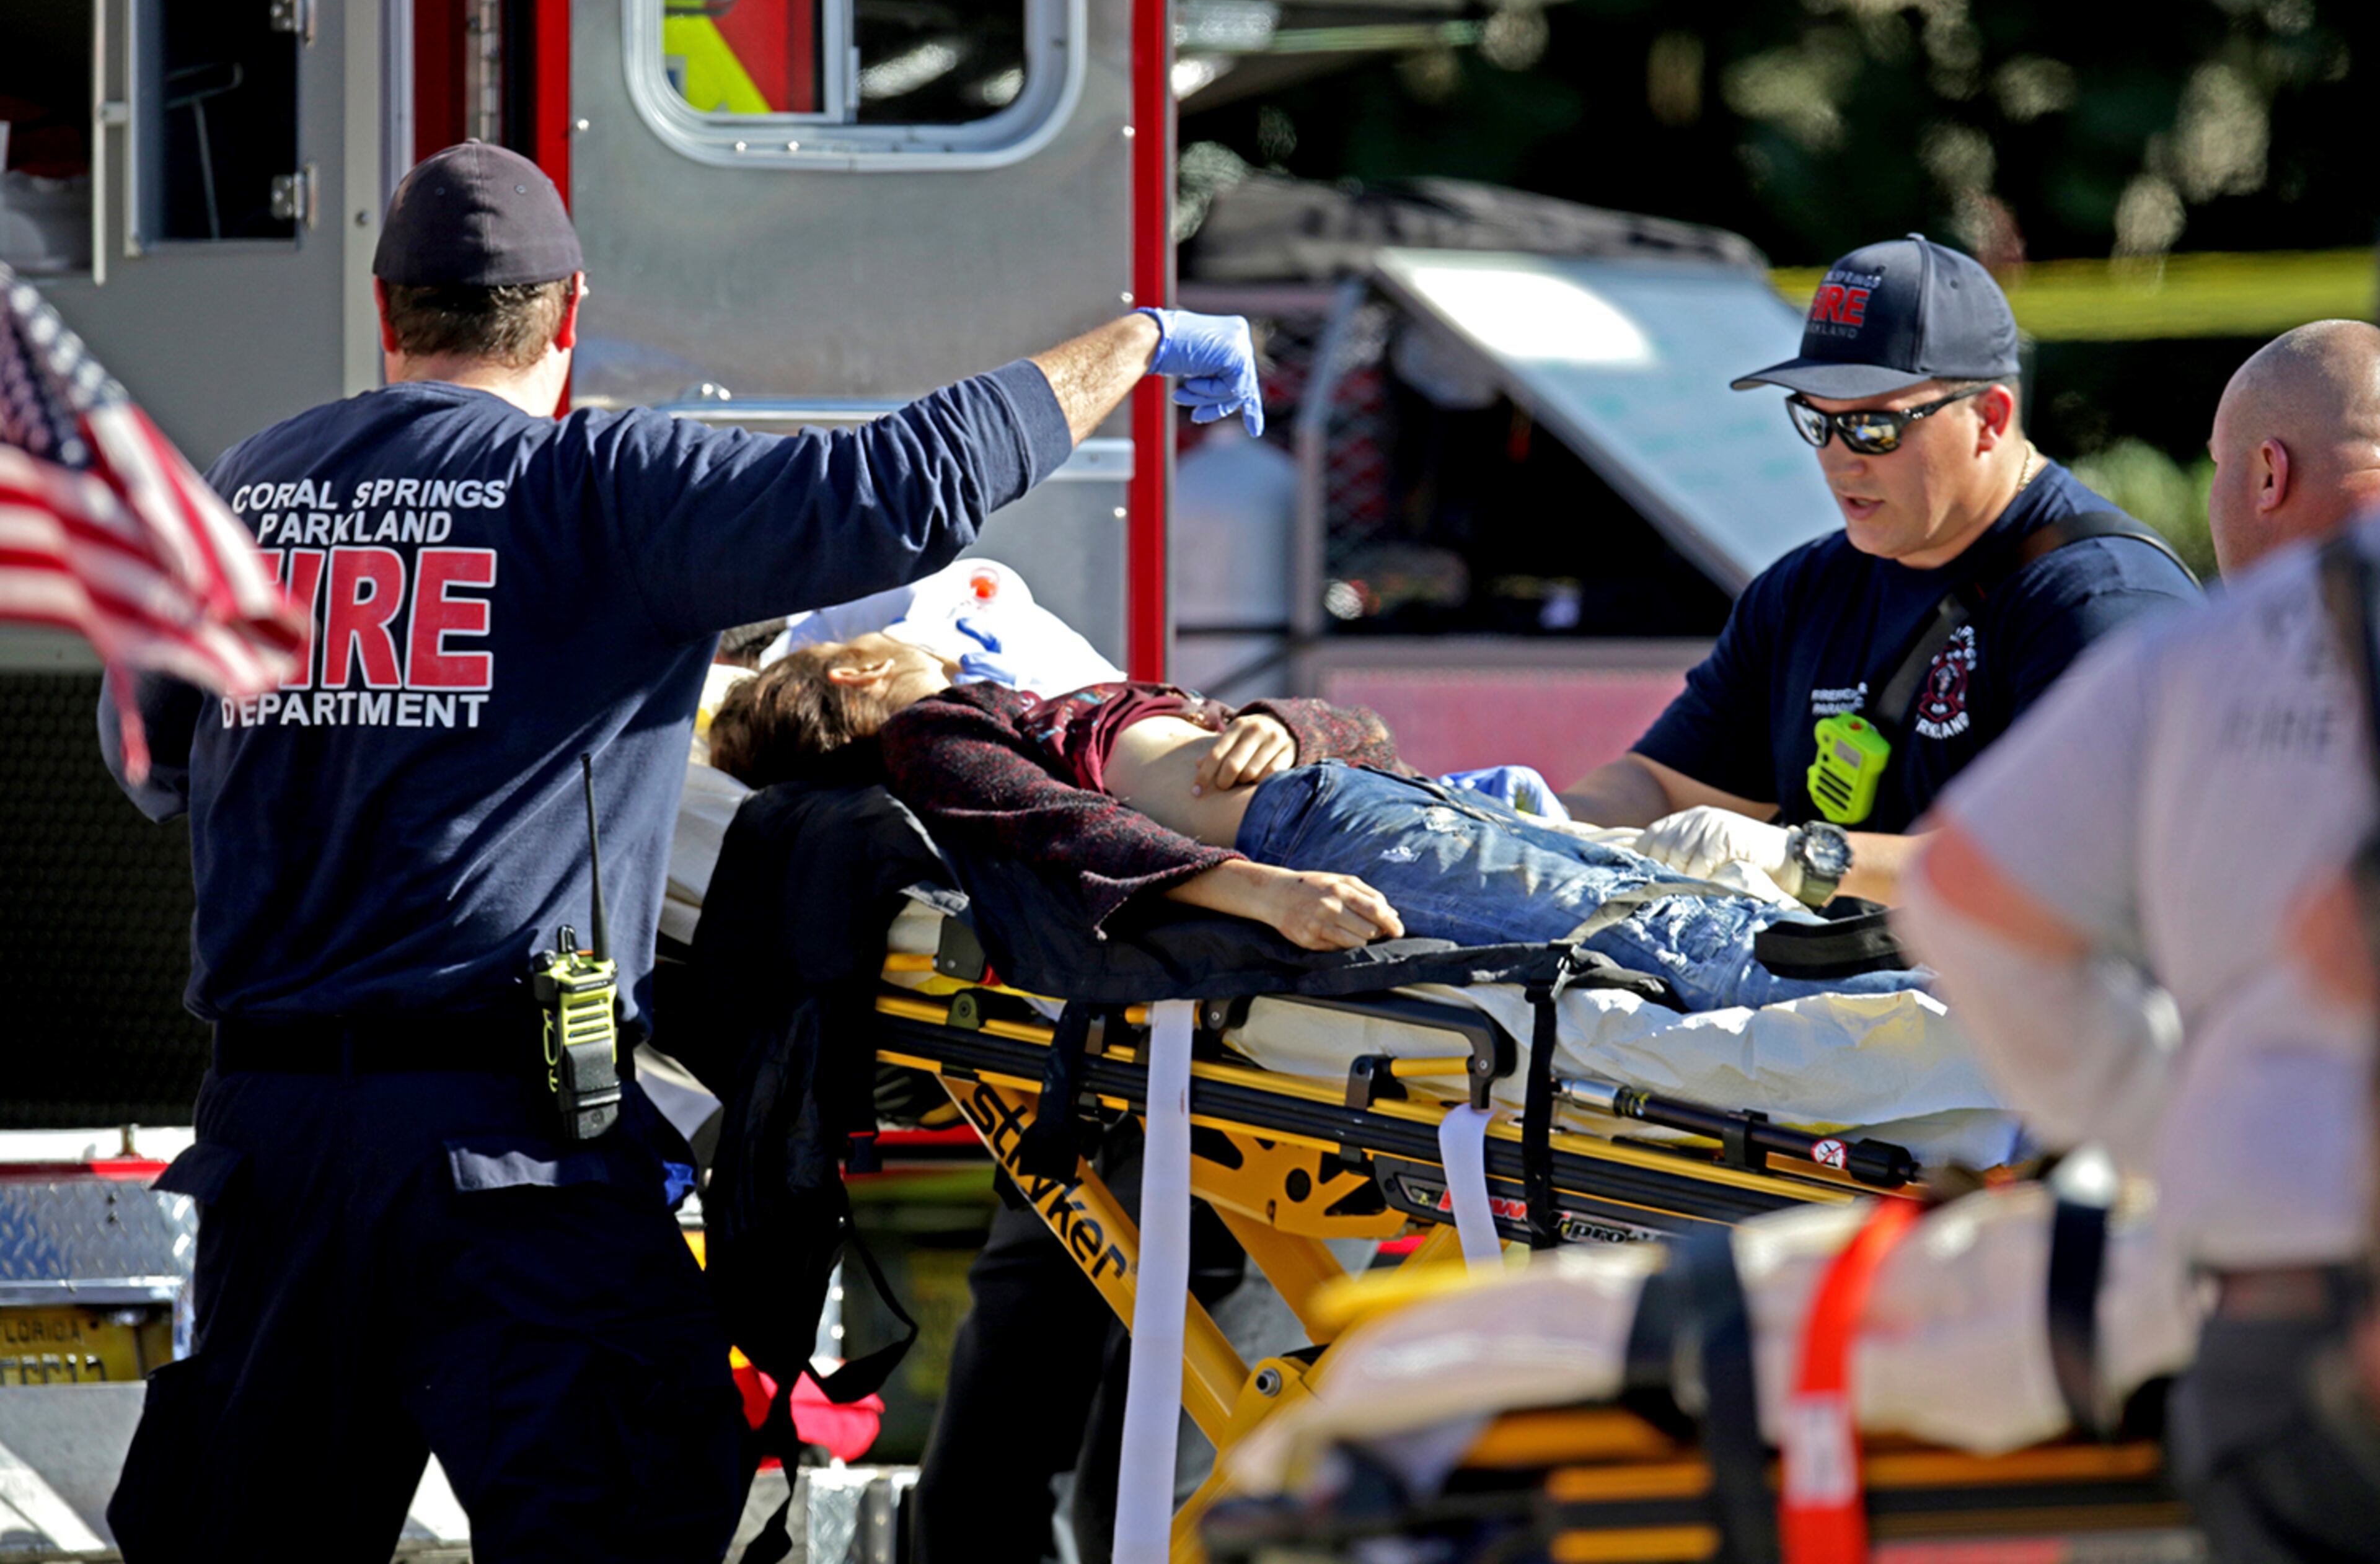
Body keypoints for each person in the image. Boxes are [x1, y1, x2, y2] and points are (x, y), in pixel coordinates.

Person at [94, 139, 1269, 1561]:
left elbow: (140, 752)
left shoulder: (254, 484)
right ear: (569, 308)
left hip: (274, 1151)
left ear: (388, 307)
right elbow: (902, 481)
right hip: (505, 1162)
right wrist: (1139, 337)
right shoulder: (602, 488)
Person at [1897, 320, 2380, 1562]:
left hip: (2291, 1320)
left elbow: (1959, 889)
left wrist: (2166, 1118)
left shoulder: (2199, 662)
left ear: (2263, 475)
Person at [706, 636, 1928, 1014]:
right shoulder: (939, 733)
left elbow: (1362, 734)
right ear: (864, 670)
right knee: (1624, 924)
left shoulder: (1025, 709)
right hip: (1329, 841)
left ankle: (1864, 961)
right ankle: (1883, 993)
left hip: (1359, 801)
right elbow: (1070, 827)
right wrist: (1264, 892)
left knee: (1641, 894)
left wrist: (1285, 721)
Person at [1561, 234, 2199, 907]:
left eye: (1874, 428)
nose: (1839, 461)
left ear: (1990, 418)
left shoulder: (2102, 600)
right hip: (1846, 1005)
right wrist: (1543, 820)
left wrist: (1805, 858)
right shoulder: (1805, 591)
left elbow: (2065, 866)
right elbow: (1662, 785)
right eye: (1817, 421)